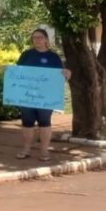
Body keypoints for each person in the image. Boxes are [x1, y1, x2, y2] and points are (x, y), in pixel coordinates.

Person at [14, 29, 69, 161]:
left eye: (40, 37)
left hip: (46, 97)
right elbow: (17, 72)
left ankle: (44, 151)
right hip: (27, 95)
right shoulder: (26, 55)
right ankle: (26, 149)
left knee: (44, 122)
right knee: (27, 122)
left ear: (46, 39)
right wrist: (7, 70)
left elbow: (60, 76)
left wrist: (67, 73)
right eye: (34, 38)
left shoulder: (53, 57)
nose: (37, 40)